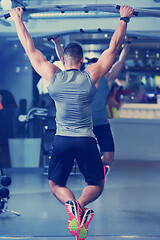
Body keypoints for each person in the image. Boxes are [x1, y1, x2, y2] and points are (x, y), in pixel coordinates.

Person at [10, 5, 134, 240]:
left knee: (56, 185)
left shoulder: (52, 76)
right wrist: (124, 18)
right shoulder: (91, 76)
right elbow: (114, 48)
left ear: (63, 60)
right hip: (87, 140)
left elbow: (30, 48)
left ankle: (73, 208)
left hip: (62, 140)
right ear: (81, 60)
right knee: (97, 183)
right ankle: (79, 205)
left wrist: (18, 20)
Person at [52, 36, 133, 179]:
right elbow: (66, 60)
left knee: (108, 158)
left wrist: (127, 43)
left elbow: (120, 63)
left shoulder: (106, 79)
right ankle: (93, 171)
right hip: (83, 128)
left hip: (101, 124)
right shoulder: (82, 78)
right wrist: (57, 43)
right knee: (79, 157)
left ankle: (98, 168)